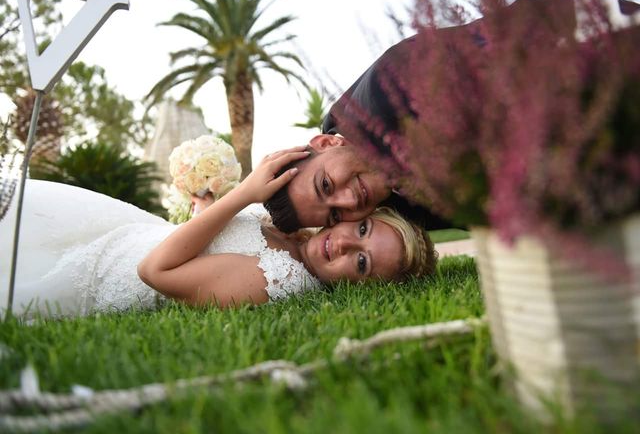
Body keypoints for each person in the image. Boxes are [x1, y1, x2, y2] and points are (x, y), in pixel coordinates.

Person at [265, 0, 640, 234]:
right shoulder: (389, 203)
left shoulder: (393, 94)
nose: (348, 203)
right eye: (333, 216)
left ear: (327, 142)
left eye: (326, 185)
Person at [0, 147, 437, 319]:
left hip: (105, 270)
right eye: (361, 228)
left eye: (360, 262)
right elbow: (215, 240)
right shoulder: (297, 237)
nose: (342, 242)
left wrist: (242, 195)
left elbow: (155, 269)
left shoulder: (275, 281)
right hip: (123, 230)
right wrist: (208, 204)